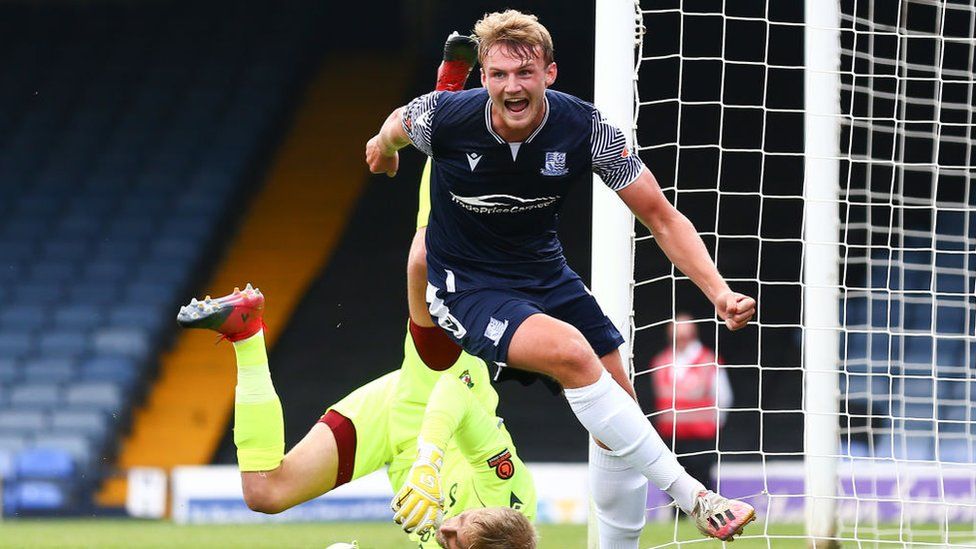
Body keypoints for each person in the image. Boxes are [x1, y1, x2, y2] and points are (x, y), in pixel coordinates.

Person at [365, 9, 757, 545]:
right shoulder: (444, 117)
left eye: (524, 73)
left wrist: (717, 291)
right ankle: (694, 496)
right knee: (574, 355)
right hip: (467, 282)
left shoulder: (585, 128)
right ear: (483, 79)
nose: (512, 86)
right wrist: (384, 152)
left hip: (544, 273)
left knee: (618, 412)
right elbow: (393, 128)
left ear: (549, 73)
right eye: (499, 74)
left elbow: (661, 215)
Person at [176, 286, 536, 549]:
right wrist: (428, 464)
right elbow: (452, 393)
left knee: (264, 492)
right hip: (436, 397)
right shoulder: (509, 489)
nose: (446, 532)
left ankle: (247, 330)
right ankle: (439, 202)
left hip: (389, 431)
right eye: (461, 525)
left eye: (455, 544)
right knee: (425, 271)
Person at [650, 313, 733, 493]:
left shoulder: (708, 359)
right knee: (672, 484)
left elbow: (723, 397)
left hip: (701, 437)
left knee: (702, 483)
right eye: (676, 335)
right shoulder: (662, 361)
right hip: (670, 436)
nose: (680, 340)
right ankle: (677, 520)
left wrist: (715, 424)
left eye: (684, 335)